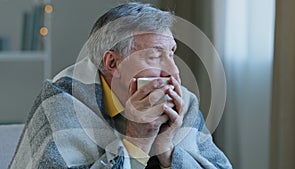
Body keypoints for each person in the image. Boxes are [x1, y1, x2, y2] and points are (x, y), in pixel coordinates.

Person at [9, 2, 232, 169]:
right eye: (154, 56)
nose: (174, 71)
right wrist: (137, 139)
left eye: (172, 54)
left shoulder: (182, 100)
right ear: (113, 63)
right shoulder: (63, 101)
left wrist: (167, 151)